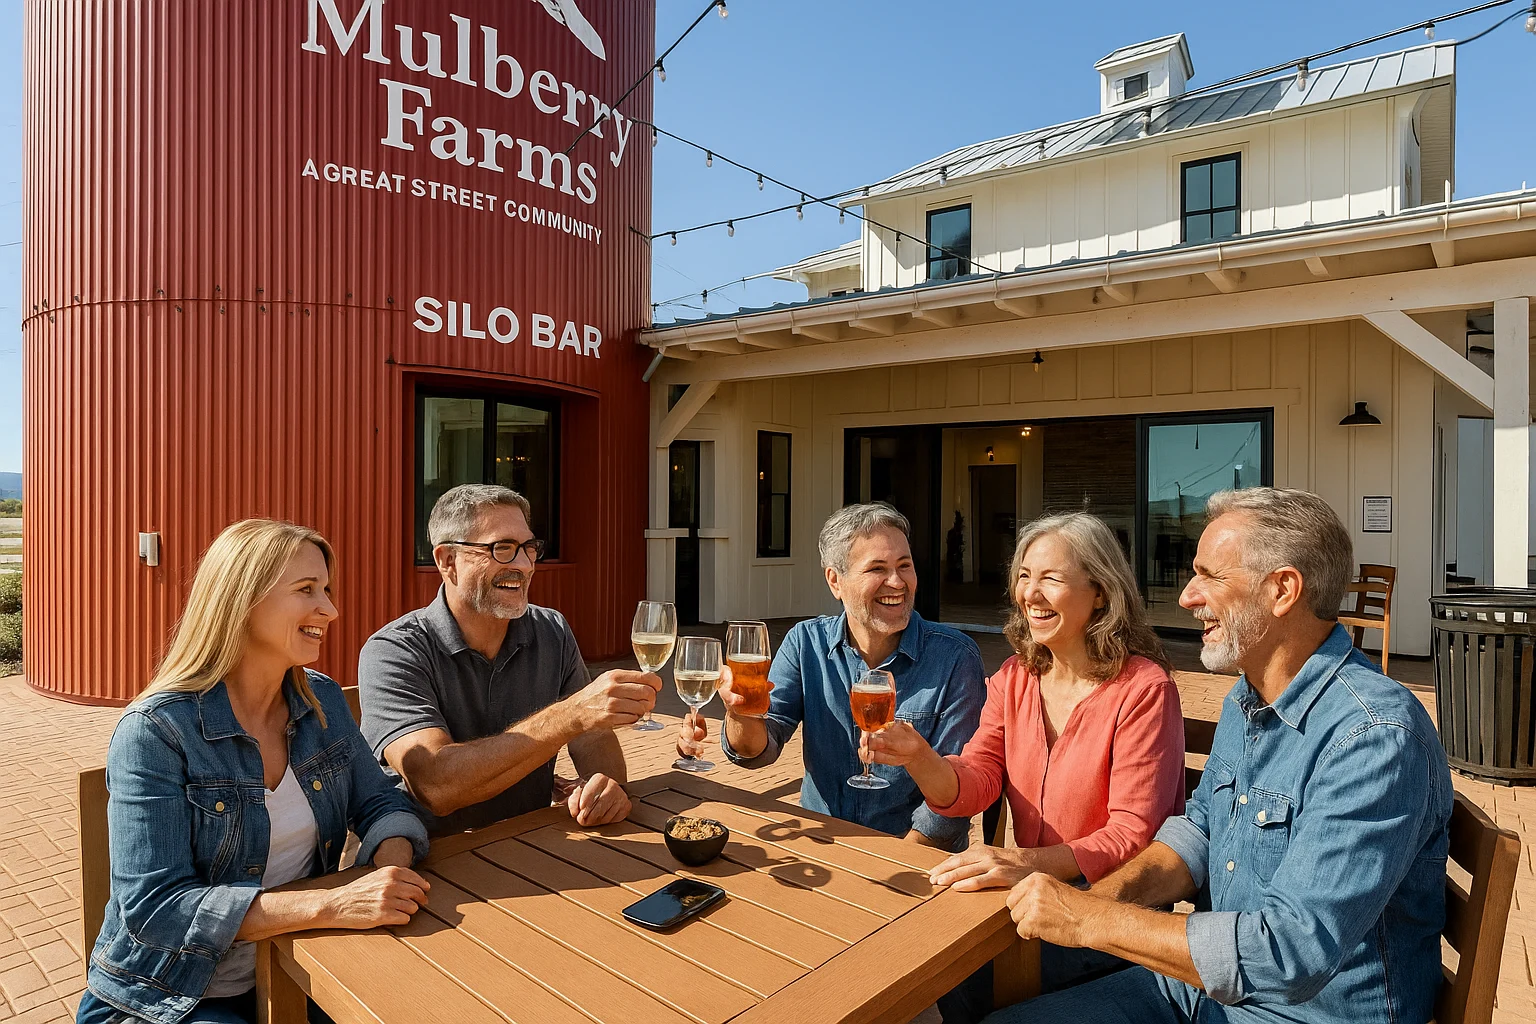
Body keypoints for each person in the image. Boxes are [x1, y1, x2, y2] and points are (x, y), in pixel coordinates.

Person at [991, 488, 1453, 1024]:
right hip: (1209, 991)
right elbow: (1200, 832)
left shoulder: (1372, 738)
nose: (1188, 596)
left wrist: (1088, 923)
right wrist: (1101, 898)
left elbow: (1288, 953)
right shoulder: (1249, 696)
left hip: (1306, 1013)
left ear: (1282, 590)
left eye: (1210, 576)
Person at [77, 520, 431, 1024]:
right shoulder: (157, 732)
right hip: (172, 996)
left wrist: (387, 868)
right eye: (306, 590)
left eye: (326, 590)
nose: (330, 610)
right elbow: (156, 909)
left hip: (297, 965)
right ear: (241, 600)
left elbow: (381, 801)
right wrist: (330, 904)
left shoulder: (321, 699)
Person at [865, 512, 1185, 1015]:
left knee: (943, 977)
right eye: (1024, 575)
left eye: (1051, 578)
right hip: (1028, 896)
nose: (1030, 593)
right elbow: (978, 779)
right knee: (906, 960)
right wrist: (919, 757)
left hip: (1107, 912)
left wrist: (1021, 863)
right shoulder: (1016, 674)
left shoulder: (1144, 689)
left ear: (1100, 593)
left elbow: (1132, 834)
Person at [677, 502, 986, 850]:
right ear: (835, 581)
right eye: (877, 569)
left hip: (913, 856)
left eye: (905, 565)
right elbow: (758, 751)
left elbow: (953, 799)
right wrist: (739, 711)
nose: (897, 582)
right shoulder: (805, 641)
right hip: (820, 843)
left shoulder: (955, 657)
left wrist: (894, 863)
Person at [358, 484, 661, 837]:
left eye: (528, 548)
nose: (522, 565)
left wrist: (606, 786)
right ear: (447, 561)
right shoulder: (394, 651)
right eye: (501, 548)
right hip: (431, 864)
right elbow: (435, 787)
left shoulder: (551, 629)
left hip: (528, 844)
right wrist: (569, 715)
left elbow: (591, 738)